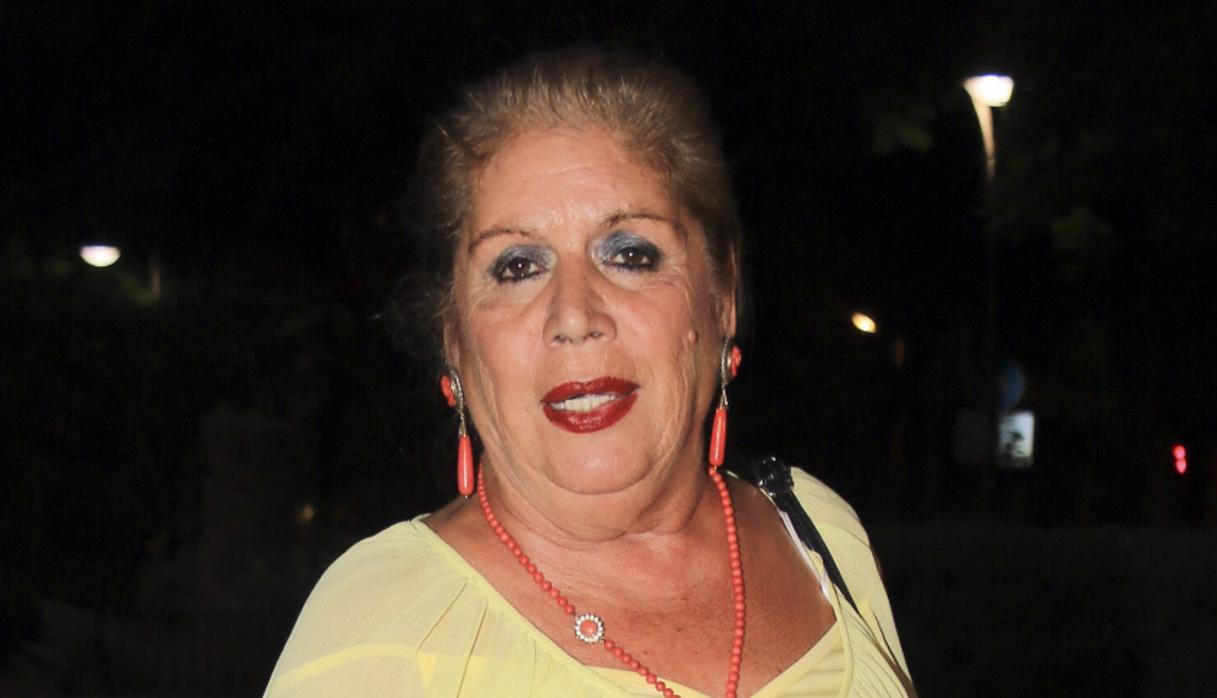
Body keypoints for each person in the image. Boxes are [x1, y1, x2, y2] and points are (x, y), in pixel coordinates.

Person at [266, 47, 914, 698]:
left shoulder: (818, 533)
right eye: (518, 267)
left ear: (721, 298)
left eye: (630, 254)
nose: (574, 315)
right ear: (454, 339)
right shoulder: (382, 633)